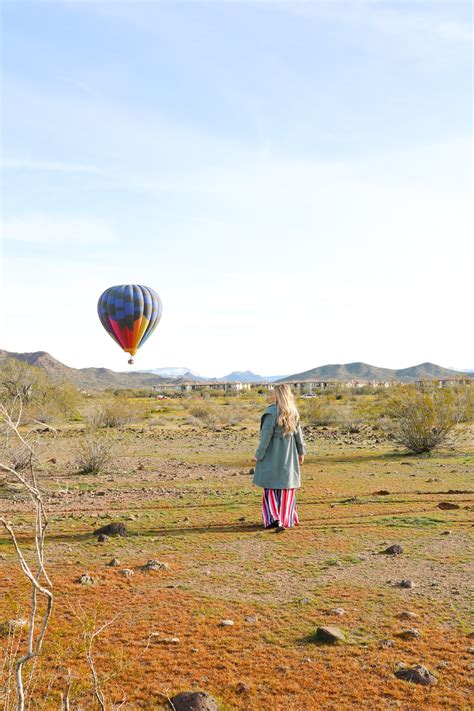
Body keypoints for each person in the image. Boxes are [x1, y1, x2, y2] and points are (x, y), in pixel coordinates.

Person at [252, 383, 306, 532]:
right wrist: (301, 452)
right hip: (289, 455)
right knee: (286, 485)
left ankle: (273, 518)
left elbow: (265, 437)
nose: (271, 396)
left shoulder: (271, 413)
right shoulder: (293, 413)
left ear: (278, 395)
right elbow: (298, 436)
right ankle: (287, 518)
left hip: (272, 454)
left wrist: (258, 455)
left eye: (273, 393)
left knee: (270, 485)